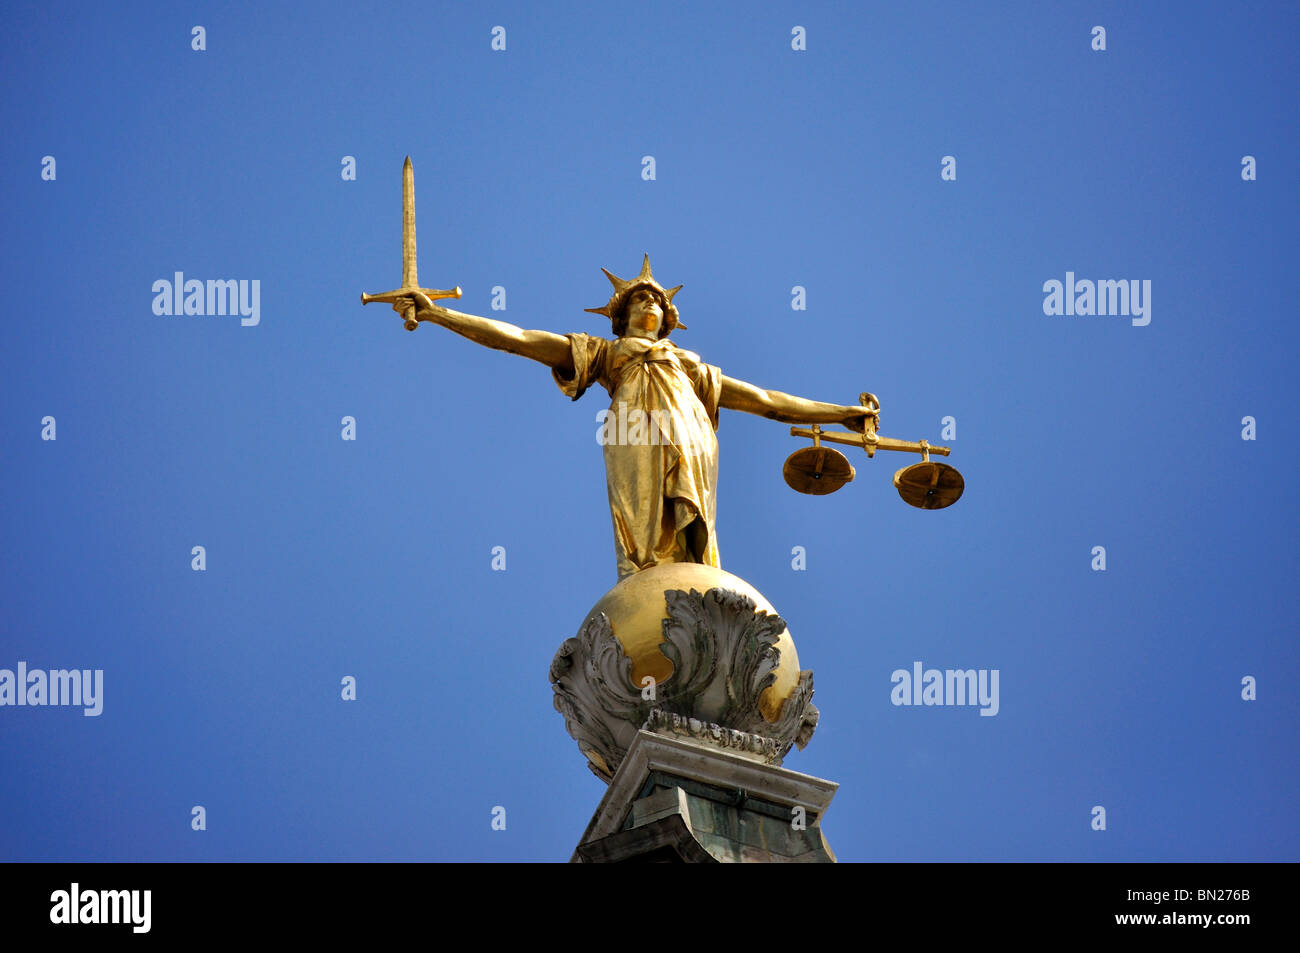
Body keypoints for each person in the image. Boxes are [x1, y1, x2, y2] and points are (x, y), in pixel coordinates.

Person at [398, 255, 873, 580]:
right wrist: (440, 315)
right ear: (622, 314)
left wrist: (841, 413)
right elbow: (517, 338)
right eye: (640, 300)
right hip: (633, 433)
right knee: (644, 534)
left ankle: (693, 581)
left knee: (693, 534)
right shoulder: (605, 354)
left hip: (692, 438)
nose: (651, 304)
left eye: (658, 302)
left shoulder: (689, 366)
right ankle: (647, 583)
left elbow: (766, 400)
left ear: (669, 318)